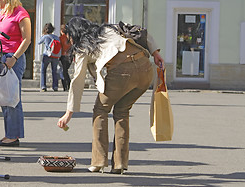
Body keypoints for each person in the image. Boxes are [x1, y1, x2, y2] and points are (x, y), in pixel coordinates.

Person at [57, 17, 164, 174]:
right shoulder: (110, 28)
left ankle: (98, 162)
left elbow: (77, 81)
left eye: (69, 36)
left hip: (123, 72)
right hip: (146, 70)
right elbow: (140, 31)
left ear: (74, 34)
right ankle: (120, 164)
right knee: (121, 111)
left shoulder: (83, 46)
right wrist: (155, 53)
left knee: (100, 110)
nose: (69, 40)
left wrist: (68, 113)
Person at [0, 0, 31, 146]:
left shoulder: (20, 13)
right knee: (4, 97)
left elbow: (27, 39)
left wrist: (14, 58)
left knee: (12, 97)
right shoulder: (2, 13)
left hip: (12, 58)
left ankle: (13, 136)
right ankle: (9, 133)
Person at [37, 23, 60, 92]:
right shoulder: (56, 37)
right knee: (54, 71)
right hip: (55, 56)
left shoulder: (45, 36)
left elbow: (39, 42)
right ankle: (55, 86)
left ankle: (43, 86)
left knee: (43, 71)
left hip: (46, 55)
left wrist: (42, 36)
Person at [59, 25, 72, 91]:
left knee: (63, 71)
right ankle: (68, 85)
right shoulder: (70, 38)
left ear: (61, 31)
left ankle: (66, 85)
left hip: (63, 56)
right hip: (70, 56)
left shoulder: (61, 38)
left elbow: (60, 48)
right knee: (65, 71)